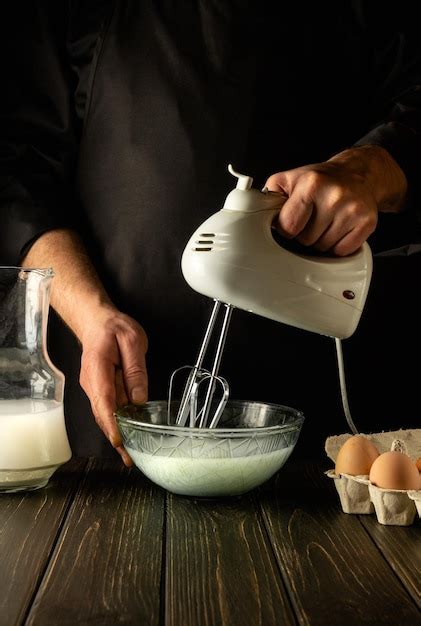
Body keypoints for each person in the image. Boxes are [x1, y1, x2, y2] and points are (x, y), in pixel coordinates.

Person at [2, 1, 421, 465]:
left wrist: (369, 169)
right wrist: (90, 314)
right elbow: (20, 174)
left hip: (329, 421)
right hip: (120, 407)